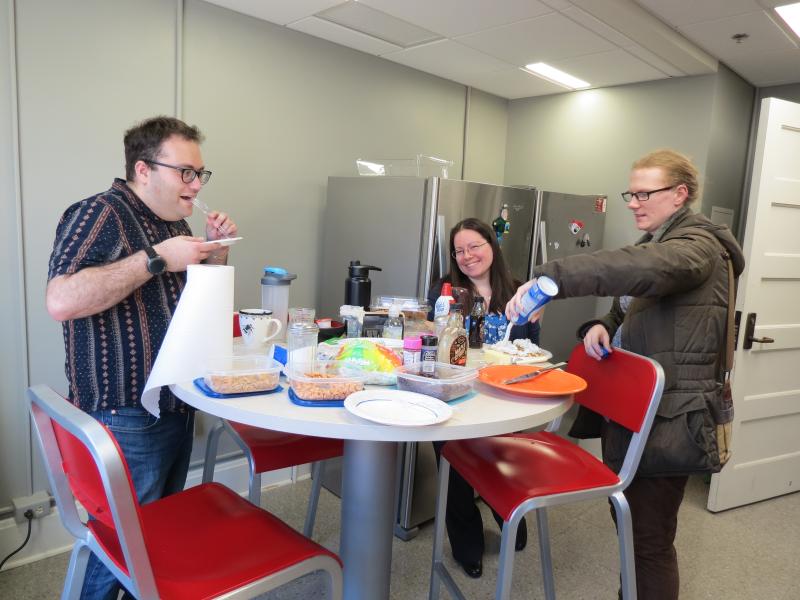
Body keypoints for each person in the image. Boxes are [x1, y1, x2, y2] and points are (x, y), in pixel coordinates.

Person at [506, 149, 745, 600]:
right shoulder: (659, 242)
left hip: (671, 417)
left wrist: (551, 278)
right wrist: (603, 326)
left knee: (649, 543)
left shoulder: (696, 247)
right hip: (640, 417)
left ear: (680, 194)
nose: (634, 202)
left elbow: (647, 270)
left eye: (644, 193)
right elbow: (632, 306)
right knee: (631, 526)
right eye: (630, 193)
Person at [46, 116, 238, 599]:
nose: (195, 184)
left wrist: (213, 257)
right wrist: (156, 258)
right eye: (186, 172)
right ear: (144, 169)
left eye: (200, 174)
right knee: (119, 546)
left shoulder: (172, 223)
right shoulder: (98, 213)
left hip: (170, 402)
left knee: (150, 540)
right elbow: (61, 301)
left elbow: (190, 305)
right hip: (124, 413)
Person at [427, 217, 540, 578]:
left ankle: (509, 513)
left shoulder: (520, 292)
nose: (467, 255)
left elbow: (529, 349)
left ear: (492, 245)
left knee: (500, 463)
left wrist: (536, 318)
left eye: (474, 246)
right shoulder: (444, 292)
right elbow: (434, 340)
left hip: (503, 397)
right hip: (457, 393)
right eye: (459, 250)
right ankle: (467, 547)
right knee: (453, 461)